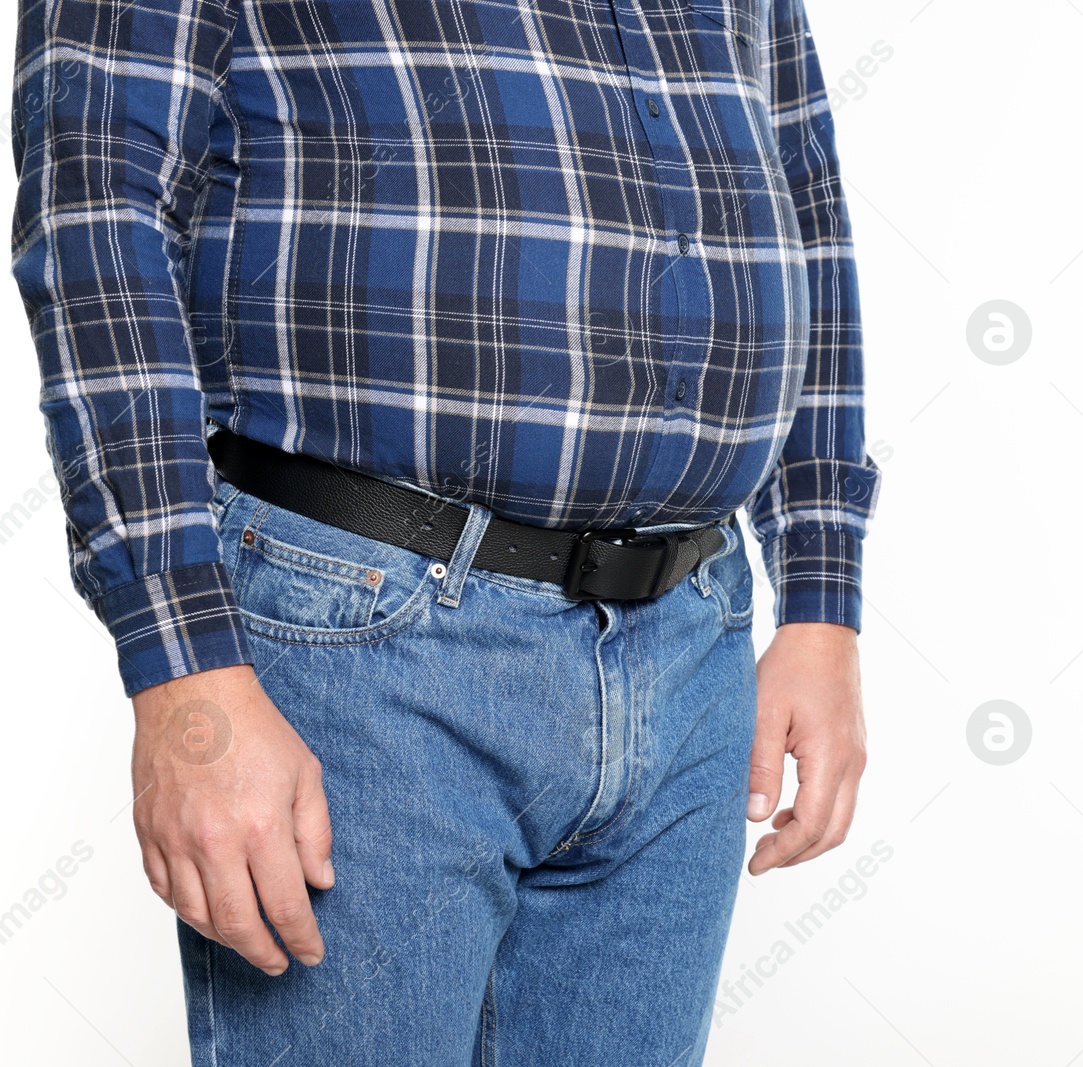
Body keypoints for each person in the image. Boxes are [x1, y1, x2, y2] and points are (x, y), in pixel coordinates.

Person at [10, 0, 880, 1062]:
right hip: (363, 647)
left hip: (690, 644)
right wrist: (182, 669)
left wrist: (822, 602)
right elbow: (96, 209)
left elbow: (804, 204)